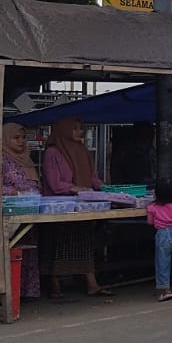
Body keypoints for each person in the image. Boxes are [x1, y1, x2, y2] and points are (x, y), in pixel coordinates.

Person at [41, 116, 109, 298]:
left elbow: (93, 178)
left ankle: (92, 284)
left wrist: (107, 189)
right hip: (58, 208)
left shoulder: (83, 150)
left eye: (81, 128)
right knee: (57, 246)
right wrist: (74, 188)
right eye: (76, 128)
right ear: (65, 130)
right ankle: (54, 285)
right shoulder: (52, 153)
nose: (81, 132)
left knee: (83, 243)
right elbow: (54, 183)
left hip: (83, 206)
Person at [0, 123, 42, 300]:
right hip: (6, 214)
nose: (21, 141)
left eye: (23, 138)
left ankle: (25, 292)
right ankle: (4, 294)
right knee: (7, 251)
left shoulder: (25, 158)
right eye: (16, 138)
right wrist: (16, 193)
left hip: (27, 212)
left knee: (27, 252)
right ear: (4, 139)